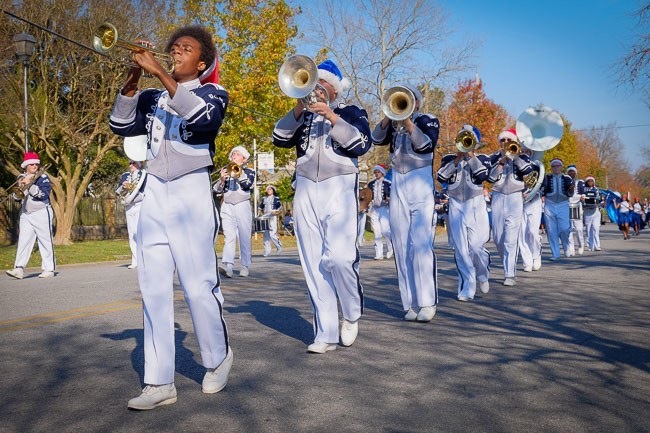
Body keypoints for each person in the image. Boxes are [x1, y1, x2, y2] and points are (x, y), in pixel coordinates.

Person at [109, 25, 232, 410]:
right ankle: (159, 381)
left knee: (198, 285)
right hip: (154, 191)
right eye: (173, 48)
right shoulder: (152, 96)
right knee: (153, 288)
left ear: (202, 61)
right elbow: (120, 124)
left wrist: (160, 72)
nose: (176, 52)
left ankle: (218, 358)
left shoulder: (214, 93)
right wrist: (133, 77)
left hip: (191, 191)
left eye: (186, 48)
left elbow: (203, 123)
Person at [272, 59, 371, 353]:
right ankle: (324, 333)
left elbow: (361, 144)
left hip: (339, 186)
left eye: (322, 83)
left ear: (335, 89)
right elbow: (279, 138)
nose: (316, 87)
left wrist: (330, 116)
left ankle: (352, 312)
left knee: (340, 258)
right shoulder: (302, 113)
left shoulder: (352, 111)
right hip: (305, 187)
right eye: (313, 82)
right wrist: (299, 108)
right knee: (314, 262)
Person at [371, 85, 440, 322]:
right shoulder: (393, 123)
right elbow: (376, 139)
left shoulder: (428, 120)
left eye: (408, 100)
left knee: (420, 243)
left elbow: (426, 146)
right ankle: (409, 302)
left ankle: (427, 302)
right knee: (400, 243)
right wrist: (388, 115)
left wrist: (408, 122)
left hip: (420, 180)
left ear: (417, 102)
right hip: (398, 180)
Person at [436, 125, 492, 301]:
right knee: (461, 248)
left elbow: (483, 175)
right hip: (456, 204)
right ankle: (467, 286)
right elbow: (441, 177)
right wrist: (458, 159)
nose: (465, 142)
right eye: (462, 138)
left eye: (468, 139)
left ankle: (482, 272)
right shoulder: (448, 158)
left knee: (476, 246)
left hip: (475, 204)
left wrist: (470, 156)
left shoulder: (482, 158)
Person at [487, 129, 533, 286]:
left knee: (510, 239)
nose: (505, 142)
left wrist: (515, 156)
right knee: (498, 238)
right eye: (502, 140)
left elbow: (527, 170)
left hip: (515, 197)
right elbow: (489, 177)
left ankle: (509, 274)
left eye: (508, 140)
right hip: (498, 197)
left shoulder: (522, 155)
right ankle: (508, 264)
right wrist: (500, 163)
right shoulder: (493, 157)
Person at [6, 151, 56, 279]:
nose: (35, 165)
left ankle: (49, 269)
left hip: (41, 211)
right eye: (32, 164)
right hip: (26, 213)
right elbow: (17, 198)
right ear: (26, 165)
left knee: (45, 240)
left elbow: (43, 195)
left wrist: (31, 185)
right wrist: (20, 187)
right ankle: (19, 268)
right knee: (24, 241)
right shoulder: (21, 177)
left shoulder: (42, 177)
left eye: (36, 163)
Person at [213, 146, 255, 277]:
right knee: (229, 236)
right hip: (227, 205)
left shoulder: (249, 171)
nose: (233, 156)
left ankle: (245, 266)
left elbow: (248, 185)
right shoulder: (227, 172)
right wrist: (221, 179)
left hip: (242, 204)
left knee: (244, 235)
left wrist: (239, 173)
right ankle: (228, 266)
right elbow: (217, 190)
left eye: (236, 154)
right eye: (232, 155)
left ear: (243, 158)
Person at [115, 160, 146, 269]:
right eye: (130, 163)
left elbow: (146, 191)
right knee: (131, 233)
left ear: (139, 164)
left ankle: (143, 259)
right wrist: (123, 186)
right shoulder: (125, 175)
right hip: (129, 206)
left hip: (139, 205)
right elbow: (117, 191)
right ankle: (135, 260)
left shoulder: (144, 174)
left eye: (133, 163)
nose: (131, 165)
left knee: (139, 233)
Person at [541, 158, 574, 260]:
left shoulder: (567, 178)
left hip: (563, 204)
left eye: (557, 166)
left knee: (564, 229)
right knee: (551, 230)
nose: (555, 168)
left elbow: (570, 193)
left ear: (561, 167)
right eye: (553, 166)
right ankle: (555, 253)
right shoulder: (546, 178)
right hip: (549, 204)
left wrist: (571, 189)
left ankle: (566, 246)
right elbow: (542, 190)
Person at [518, 148, 544, 272]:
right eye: (522, 151)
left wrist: (530, 191)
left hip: (533, 201)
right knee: (521, 233)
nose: (524, 153)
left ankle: (536, 255)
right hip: (518, 202)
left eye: (527, 152)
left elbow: (541, 183)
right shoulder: (514, 165)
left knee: (532, 232)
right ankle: (526, 261)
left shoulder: (536, 166)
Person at [367, 164, 394, 260]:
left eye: (378, 172)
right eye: (375, 172)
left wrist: (389, 199)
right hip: (374, 209)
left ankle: (391, 248)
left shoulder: (388, 183)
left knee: (385, 231)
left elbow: (392, 196)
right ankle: (379, 253)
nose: (376, 174)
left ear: (382, 173)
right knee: (377, 232)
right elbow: (367, 196)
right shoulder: (370, 184)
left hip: (384, 208)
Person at [566, 165, 585, 256]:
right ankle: (571, 248)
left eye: (573, 171)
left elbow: (583, 193)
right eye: (569, 171)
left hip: (577, 205)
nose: (571, 173)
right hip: (567, 206)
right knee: (569, 229)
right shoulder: (565, 181)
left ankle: (581, 245)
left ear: (576, 173)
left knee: (578, 229)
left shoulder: (580, 182)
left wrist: (583, 197)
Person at [258, 185, 283, 256]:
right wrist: (259, 213)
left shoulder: (276, 198)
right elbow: (260, 207)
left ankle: (279, 246)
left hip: (272, 216)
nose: (269, 190)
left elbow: (280, 208)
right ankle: (267, 251)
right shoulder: (264, 198)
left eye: (270, 189)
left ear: (273, 190)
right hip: (265, 216)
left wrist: (276, 212)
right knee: (266, 235)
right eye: (268, 189)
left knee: (272, 234)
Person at [582, 176, 603, 251]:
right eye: (589, 181)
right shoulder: (583, 190)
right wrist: (583, 200)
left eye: (592, 181)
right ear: (586, 182)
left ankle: (597, 245)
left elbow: (601, 199)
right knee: (588, 229)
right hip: (587, 211)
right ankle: (590, 245)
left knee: (595, 228)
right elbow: (581, 200)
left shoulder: (597, 190)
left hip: (596, 211)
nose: (590, 182)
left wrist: (602, 202)